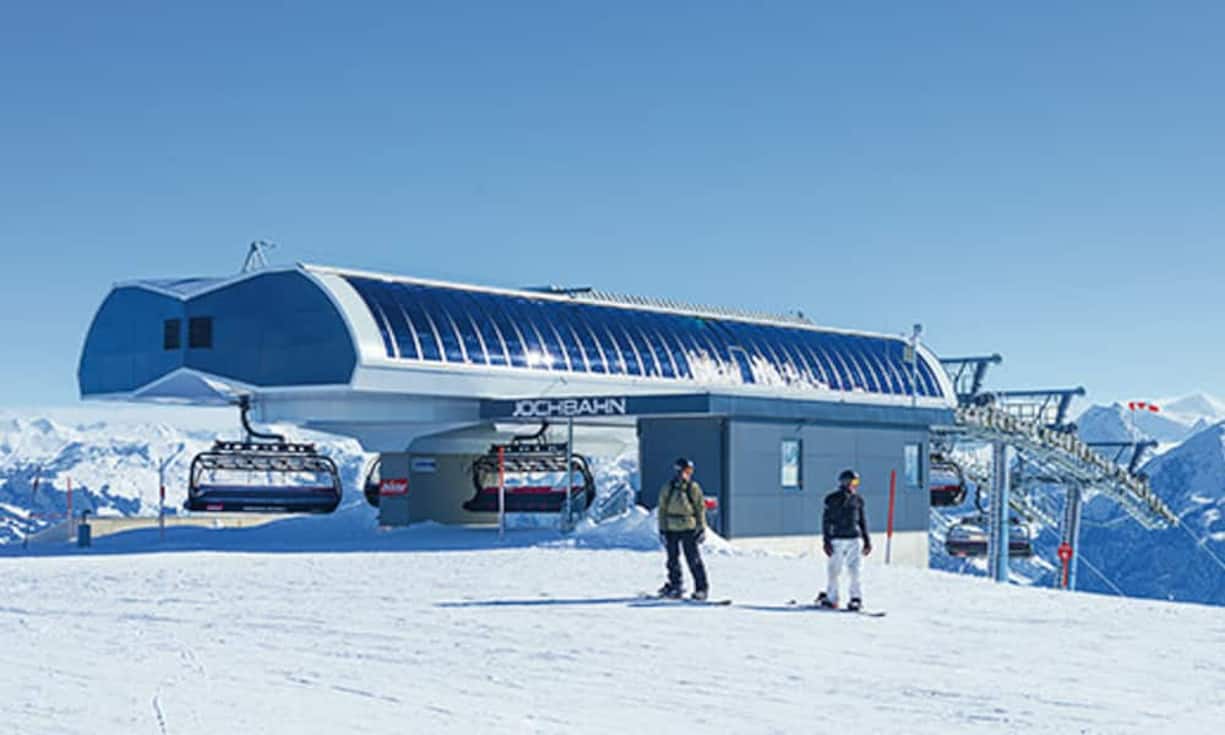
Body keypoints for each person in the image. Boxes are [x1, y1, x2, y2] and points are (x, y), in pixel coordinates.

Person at [817, 469, 872, 611]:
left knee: (855, 570)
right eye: (853, 481)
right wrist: (826, 541)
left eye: (857, 482)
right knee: (834, 570)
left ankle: (856, 598)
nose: (855, 485)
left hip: (854, 539)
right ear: (845, 482)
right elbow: (826, 521)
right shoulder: (832, 499)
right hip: (837, 539)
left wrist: (867, 540)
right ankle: (832, 598)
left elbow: (862, 521)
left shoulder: (858, 500)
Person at [657, 457, 709, 600]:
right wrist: (662, 529)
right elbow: (662, 509)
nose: (688, 474)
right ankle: (675, 585)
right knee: (672, 559)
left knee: (693, 559)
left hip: (689, 528)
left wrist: (701, 527)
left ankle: (701, 588)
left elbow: (700, 508)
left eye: (689, 471)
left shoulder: (692, 488)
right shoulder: (669, 487)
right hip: (671, 528)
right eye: (686, 470)